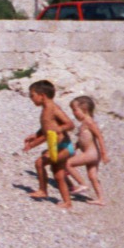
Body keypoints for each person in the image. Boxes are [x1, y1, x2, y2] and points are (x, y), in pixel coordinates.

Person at [20, 79, 76, 209]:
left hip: (64, 147)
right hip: (57, 146)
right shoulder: (45, 109)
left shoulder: (53, 108)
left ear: (42, 96)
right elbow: (46, 128)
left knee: (39, 163)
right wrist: (36, 135)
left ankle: (43, 190)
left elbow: (70, 124)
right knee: (58, 174)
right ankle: (67, 202)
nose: (31, 99)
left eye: (32, 95)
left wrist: (32, 144)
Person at [66, 95, 109, 206]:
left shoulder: (89, 122)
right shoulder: (83, 124)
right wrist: (73, 149)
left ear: (84, 109)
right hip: (93, 155)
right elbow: (81, 141)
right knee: (92, 176)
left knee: (68, 163)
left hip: (91, 153)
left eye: (75, 110)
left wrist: (104, 153)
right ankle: (100, 199)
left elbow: (99, 136)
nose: (74, 113)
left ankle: (81, 184)